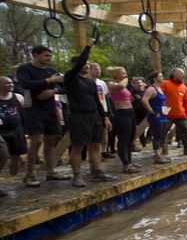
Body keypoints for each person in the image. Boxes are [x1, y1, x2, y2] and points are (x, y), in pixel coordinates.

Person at [64, 38, 118, 187]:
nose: (87, 66)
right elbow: (80, 62)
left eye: (88, 65)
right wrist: (88, 46)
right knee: (78, 146)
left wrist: (105, 117)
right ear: (76, 65)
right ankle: (77, 175)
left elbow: (97, 101)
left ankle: (97, 171)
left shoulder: (90, 82)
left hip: (94, 116)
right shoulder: (71, 78)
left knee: (96, 145)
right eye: (85, 64)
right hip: (78, 116)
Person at [16, 45, 71, 186]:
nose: (49, 58)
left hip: (50, 109)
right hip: (33, 109)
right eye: (46, 55)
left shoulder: (51, 70)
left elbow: (66, 86)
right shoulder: (25, 68)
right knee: (37, 141)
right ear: (36, 55)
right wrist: (49, 81)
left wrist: (54, 91)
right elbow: (25, 83)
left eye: (50, 56)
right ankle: (29, 174)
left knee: (51, 141)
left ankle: (51, 171)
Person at [107, 67, 141, 173]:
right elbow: (121, 86)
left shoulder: (124, 86)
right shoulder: (112, 85)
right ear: (116, 74)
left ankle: (129, 162)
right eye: (123, 73)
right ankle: (126, 164)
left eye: (126, 73)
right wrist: (127, 79)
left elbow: (126, 97)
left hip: (130, 112)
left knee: (131, 139)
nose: (125, 75)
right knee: (124, 139)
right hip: (122, 114)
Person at [160, 68, 187, 156]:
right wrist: (162, 111)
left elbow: (186, 102)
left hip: (180, 114)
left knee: (185, 133)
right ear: (174, 73)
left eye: (183, 73)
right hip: (167, 114)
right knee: (162, 133)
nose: (183, 75)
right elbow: (159, 97)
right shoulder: (165, 83)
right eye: (181, 73)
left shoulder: (184, 87)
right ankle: (158, 152)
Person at [0, 76, 27, 193]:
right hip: (1, 131)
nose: (10, 85)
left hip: (16, 130)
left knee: (16, 156)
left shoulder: (18, 97)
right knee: (3, 154)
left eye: (11, 83)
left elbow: (27, 112)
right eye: (7, 83)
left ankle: (12, 179)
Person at [141, 71, 170, 164]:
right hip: (156, 117)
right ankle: (157, 156)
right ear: (154, 78)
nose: (162, 77)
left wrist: (166, 110)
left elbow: (161, 102)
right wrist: (152, 112)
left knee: (162, 136)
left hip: (163, 116)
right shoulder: (151, 89)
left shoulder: (160, 88)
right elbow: (144, 100)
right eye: (160, 76)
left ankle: (160, 155)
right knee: (157, 136)